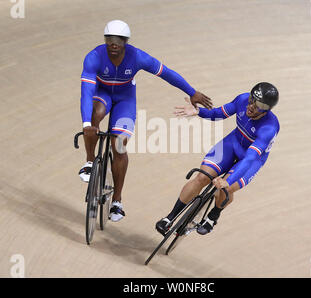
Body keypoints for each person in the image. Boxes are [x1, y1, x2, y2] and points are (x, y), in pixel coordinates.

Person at [79, 20, 212, 222]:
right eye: (110, 40)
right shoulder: (94, 57)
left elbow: (166, 73)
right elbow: (86, 93)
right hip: (102, 94)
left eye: (118, 40)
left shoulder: (137, 57)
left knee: (120, 144)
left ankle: (116, 200)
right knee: (95, 114)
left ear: (125, 42)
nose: (113, 44)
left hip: (125, 100)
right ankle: (89, 162)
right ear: (105, 40)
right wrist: (87, 126)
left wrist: (191, 92)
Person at [155, 82, 280, 235]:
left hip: (252, 158)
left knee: (225, 188)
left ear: (267, 110)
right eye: (252, 100)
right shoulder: (242, 99)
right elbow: (217, 114)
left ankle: (214, 215)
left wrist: (228, 180)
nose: (252, 106)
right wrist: (198, 111)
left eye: (259, 105)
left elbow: (249, 158)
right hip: (233, 143)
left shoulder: (269, 128)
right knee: (201, 177)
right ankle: (170, 218)